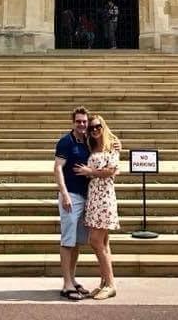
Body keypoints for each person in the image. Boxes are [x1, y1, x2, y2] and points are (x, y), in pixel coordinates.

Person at [74, 114, 121, 300]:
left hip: (105, 197)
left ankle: (110, 284)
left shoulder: (112, 146)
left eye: (97, 127)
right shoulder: (91, 146)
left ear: (104, 126)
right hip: (94, 196)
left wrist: (90, 171)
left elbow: (111, 171)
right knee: (104, 243)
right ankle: (104, 282)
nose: (94, 130)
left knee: (95, 241)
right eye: (91, 127)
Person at [53, 106, 93, 300]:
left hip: (86, 196)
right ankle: (66, 284)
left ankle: (72, 279)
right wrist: (64, 194)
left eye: (84, 121)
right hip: (71, 197)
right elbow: (58, 168)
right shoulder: (65, 142)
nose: (82, 124)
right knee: (67, 240)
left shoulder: (87, 141)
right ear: (73, 122)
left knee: (77, 242)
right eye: (78, 121)